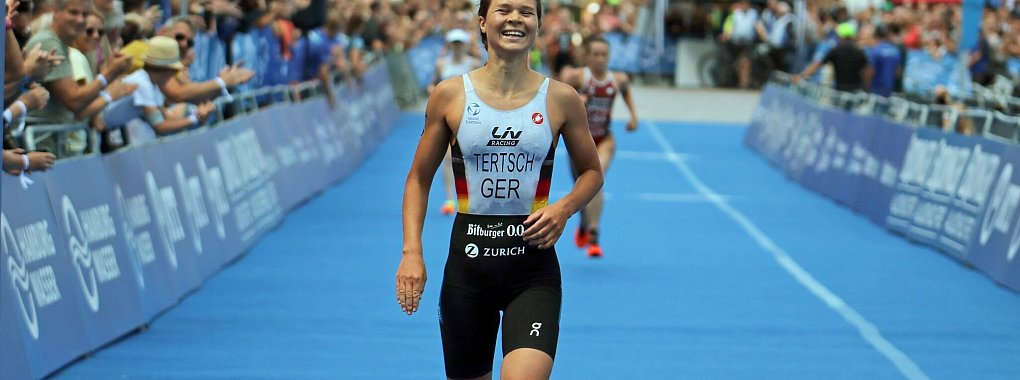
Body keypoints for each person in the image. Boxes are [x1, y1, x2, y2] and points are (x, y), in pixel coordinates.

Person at [396, 0, 603, 378]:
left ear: (538, 24)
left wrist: (564, 208)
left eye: (526, 11)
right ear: (482, 22)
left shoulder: (561, 98)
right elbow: (418, 179)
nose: (515, 19)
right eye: (504, 9)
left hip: (533, 271)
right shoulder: (450, 95)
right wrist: (412, 253)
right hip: (467, 273)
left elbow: (591, 171)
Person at [563, 35, 637, 258]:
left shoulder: (618, 79)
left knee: (596, 179)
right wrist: (577, 99)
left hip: (605, 139)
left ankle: (594, 234)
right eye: (596, 54)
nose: (601, 59)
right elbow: (559, 98)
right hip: (580, 142)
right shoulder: (577, 77)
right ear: (587, 56)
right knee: (581, 187)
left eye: (604, 54)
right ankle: (584, 223)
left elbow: (626, 91)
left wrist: (633, 115)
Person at [101, 36, 215, 144]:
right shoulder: (142, 83)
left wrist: (197, 115)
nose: (175, 74)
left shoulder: (150, 83)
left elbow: (167, 117)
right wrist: (195, 118)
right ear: (166, 69)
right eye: (174, 70)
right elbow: (160, 127)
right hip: (103, 136)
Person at [430, 28, 482, 216]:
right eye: (454, 43)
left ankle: (472, 197)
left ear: (465, 45)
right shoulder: (441, 64)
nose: (457, 47)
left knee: (472, 158)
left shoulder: (473, 64)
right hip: (445, 116)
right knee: (446, 159)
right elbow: (434, 84)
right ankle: (450, 199)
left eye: (460, 43)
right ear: (450, 45)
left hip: (470, 116)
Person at [797, 22, 871, 94]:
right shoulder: (860, 52)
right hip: (856, 90)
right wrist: (866, 88)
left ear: (841, 36)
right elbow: (867, 71)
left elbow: (817, 64)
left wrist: (802, 76)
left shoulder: (836, 51)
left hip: (840, 90)